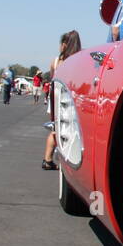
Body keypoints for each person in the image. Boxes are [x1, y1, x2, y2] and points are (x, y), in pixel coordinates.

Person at [42, 31, 82, 170]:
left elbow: (53, 79)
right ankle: (58, 159)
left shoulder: (56, 61)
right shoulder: (79, 60)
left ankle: (47, 159)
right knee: (68, 130)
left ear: (64, 44)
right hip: (69, 98)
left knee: (55, 128)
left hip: (55, 97)